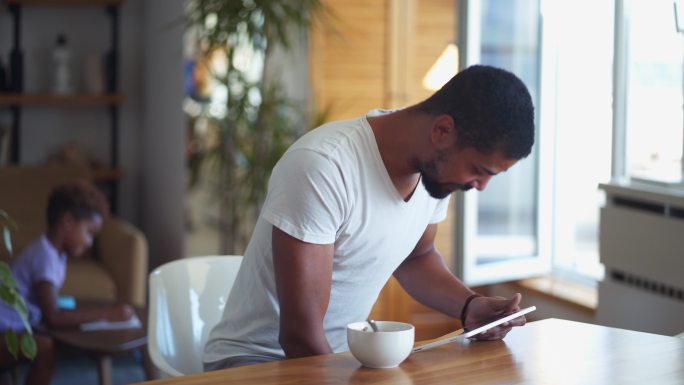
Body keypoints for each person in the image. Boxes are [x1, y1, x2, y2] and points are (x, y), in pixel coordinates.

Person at [203, 64, 536, 370]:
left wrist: (469, 306)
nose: (480, 187)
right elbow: (299, 338)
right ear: (443, 130)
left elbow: (416, 257)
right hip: (255, 362)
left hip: (339, 358)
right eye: (479, 171)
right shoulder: (323, 167)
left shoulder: (435, 173)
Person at [0, 180, 134, 385]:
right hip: (4, 331)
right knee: (46, 348)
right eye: (89, 233)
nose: (89, 242)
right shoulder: (45, 257)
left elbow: (47, 300)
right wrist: (109, 314)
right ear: (68, 221)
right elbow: (53, 317)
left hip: (15, 327)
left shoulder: (54, 253)